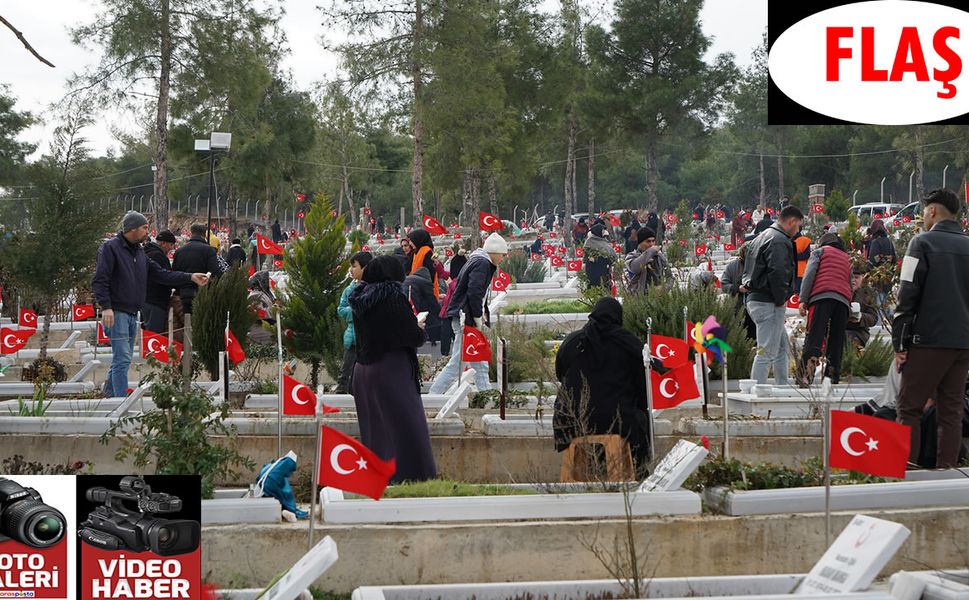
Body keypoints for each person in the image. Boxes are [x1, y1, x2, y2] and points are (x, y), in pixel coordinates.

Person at [92, 211, 209, 397]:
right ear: (132, 228)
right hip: (117, 311)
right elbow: (100, 280)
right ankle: (120, 401)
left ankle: (110, 392)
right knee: (122, 358)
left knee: (124, 358)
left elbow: (162, 274)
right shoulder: (111, 248)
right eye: (145, 227)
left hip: (132, 312)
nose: (148, 231)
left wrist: (190, 277)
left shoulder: (139, 251)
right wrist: (106, 307)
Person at [893, 188, 969, 469]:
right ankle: (947, 471)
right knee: (951, 411)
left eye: (924, 211)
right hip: (962, 343)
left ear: (933, 211)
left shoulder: (920, 243)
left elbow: (906, 294)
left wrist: (900, 344)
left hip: (928, 340)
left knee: (909, 407)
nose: (923, 216)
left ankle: (906, 470)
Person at [349, 255, 436, 483]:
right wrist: (417, 326)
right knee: (407, 427)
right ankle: (410, 477)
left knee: (376, 430)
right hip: (390, 368)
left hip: (364, 369)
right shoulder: (392, 297)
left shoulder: (359, 298)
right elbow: (411, 336)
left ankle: (379, 476)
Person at [553, 297, 651, 478]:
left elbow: (560, 374)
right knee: (639, 418)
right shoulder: (628, 344)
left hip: (572, 419)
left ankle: (592, 468)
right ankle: (639, 472)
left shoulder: (574, 341)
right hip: (618, 420)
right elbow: (641, 387)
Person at [428, 233, 508, 393]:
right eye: (503, 254)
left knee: (478, 357)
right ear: (494, 251)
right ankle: (434, 393)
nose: (503, 258)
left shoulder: (478, 261)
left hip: (465, 316)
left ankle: (486, 393)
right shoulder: (482, 264)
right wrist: (478, 316)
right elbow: (475, 291)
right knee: (459, 362)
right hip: (466, 318)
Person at [743, 205, 804, 385]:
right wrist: (780, 299)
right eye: (798, 225)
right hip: (769, 301)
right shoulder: (778, 240)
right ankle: (757, 393)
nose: (798, 230)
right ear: (792, 221)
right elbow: (778, 272)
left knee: (781, 347)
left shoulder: (762, 237)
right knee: (766, 351)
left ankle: (781, 386)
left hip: (757, 298)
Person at [798, 233, 853, 385]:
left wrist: (803, 300)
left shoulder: (819, 252)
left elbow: (809, 275)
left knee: (814, 337)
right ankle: (831, 378)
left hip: (821, 297)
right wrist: (848, 304)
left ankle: (805, 377)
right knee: (836, 342)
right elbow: (850, 283)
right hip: (842, 301)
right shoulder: (846, 258)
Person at [336, 251, 372, 394]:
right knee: (346, 369)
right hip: (352, 337)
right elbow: (341, 309)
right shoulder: (349, 289)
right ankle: (341, 392)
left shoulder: (373, 288)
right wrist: (356, 311)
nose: (351, 270)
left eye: (354, 266)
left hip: (369, 338)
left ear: (365, 268)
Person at [172, 224, 223, 314]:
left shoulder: (179, 251)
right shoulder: (209, 250)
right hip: (203, 293)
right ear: (204, 234)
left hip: (183, 294)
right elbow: (214, 272)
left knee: (186, 323)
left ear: (191, 233)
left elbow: (174, 273)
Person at [142, 230, 177, 334]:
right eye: (170, 245)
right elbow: (164, 276)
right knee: (154, 334)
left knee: (148, 332)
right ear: (162, 243)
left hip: (147, 299)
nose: (171, 248)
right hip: (155, 301)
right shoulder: (157, 256)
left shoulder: (148, 253)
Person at [720, 244, 757, 341]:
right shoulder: (732, 267)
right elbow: (724, 284)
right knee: (742, 338)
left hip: (757, 308)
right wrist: (737, 288)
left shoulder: (759, 264)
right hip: (739, 309)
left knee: (758, 339)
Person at [438, 253, 467, 357]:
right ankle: (445, 355)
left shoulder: (461, 279)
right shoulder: (455, 277)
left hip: (454, 312)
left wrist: (450, 282)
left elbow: (456, 288)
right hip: (448, 312)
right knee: (446, 335)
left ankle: (455, 355)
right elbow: (441, 273)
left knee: (455, 335)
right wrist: (436, 262)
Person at [403, 266, 442, 345]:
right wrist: (440, 313)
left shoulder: (408, 278)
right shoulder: (425, 282)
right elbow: (431, 301)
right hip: (413, 302)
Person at [845, 263, 880, 350]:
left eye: (856, 278)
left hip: (858, 331)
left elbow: (874, 318)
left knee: (848, 339)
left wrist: (860, 317)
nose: (853, 280)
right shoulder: (840, 289)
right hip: (839, 328)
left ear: (862, 278)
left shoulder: (869, 293)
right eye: (851, 277)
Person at [866, 218, 897, 315]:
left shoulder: (875, 242)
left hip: (878, 280)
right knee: (886, 304)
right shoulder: (888, 241)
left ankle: (879, 327)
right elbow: (894, 259)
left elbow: (871, 262)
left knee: (878, 307)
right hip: (888, 278)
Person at [624, 228, 665, 295]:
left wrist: (663, 288)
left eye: (653, 241)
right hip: (639, 297)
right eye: (648, 241)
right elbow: (635, 268)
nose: (651, 244)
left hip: (657, 297)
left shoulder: (659, 256)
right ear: (640, 242)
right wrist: (650, 252)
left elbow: (670, 276)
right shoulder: (632, 256)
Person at [407, 229, 440, 298]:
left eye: (411, 240)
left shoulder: (426, 251)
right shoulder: (416, 252)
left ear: (417, 239)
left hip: (426, 291)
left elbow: (430, 273)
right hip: (417, 288)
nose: (410, 243)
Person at [583, 223, 617, 289]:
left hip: (604, 269)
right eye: (602, 230)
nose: (604, 232)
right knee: (594, 287)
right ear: (598, 231)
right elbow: (586, 256)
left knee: (605, 287)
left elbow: (612, 255)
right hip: (593, 269)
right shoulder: (590, 241)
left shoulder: (604, 241)